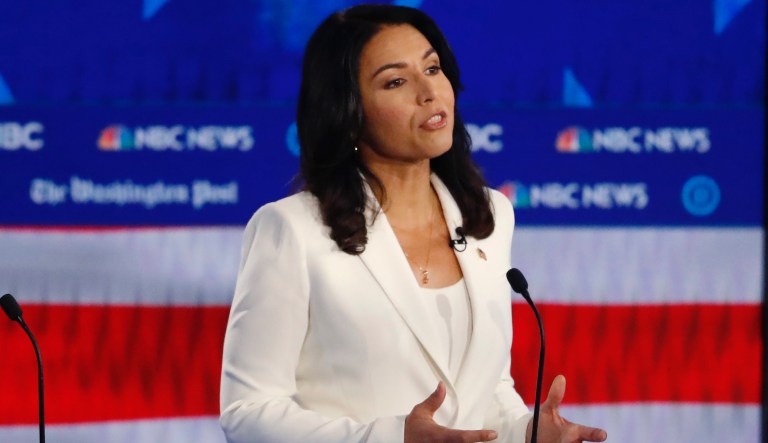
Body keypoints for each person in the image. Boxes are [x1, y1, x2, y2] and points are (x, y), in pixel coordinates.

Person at [220, 4, 607, 443]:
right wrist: (392, 438)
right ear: (348, 114)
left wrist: (528, 431)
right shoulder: (292, 229)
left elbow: (487, 389)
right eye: (396, 81)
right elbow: (247, 414)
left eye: (433, 68)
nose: (429, 92)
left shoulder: (490, 215)